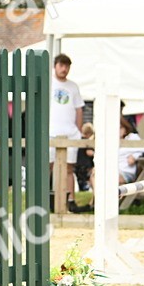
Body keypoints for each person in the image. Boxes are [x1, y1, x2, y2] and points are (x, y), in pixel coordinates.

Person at [49, 53, 88, 212]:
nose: (64, 69)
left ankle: (70, 199)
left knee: (68, 168)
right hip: (51, 131)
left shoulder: (73, 86)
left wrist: (78, 130)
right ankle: (49, 198)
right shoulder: (49, 83)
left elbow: (79, 109)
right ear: (55, 66)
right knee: (50, 166)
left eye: (67, 66)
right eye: (61, 65)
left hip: (70, 132)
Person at [117, 118, 144, 184]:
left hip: (126, 171)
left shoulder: (132, 137)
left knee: (113, 178)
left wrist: (134, 156)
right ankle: (98, 194)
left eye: (120, 128)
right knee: (95, 174)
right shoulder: (109, 142)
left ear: (125, 129)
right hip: (110, 170)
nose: (118, 131)